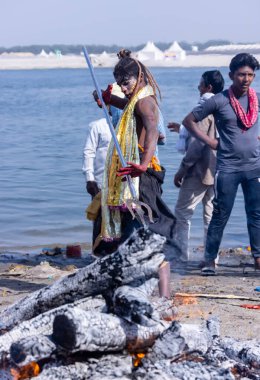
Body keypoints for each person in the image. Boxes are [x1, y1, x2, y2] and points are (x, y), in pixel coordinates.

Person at [94, 56, 177, 297]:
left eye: (126, 82)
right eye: (119, 82)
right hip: (132, 174)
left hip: (142, 176)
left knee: (148, 234)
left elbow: (152, 129)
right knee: (129, 234)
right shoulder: (135, 99)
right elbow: (126, 104)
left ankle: (164, 295)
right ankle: (132, 290)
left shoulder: (145, 102)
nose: (123, 86)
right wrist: (108, 98)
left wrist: (142, 164)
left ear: (139, 78)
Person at [182, 53, 260, 274]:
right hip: (228, 168)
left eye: (250, 75)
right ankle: (209, 260)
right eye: (241, 75)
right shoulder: (219, 100)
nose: (246, 79)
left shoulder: (256, 98)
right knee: (220, 214)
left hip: (255, 166)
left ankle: (257, 258)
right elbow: (189, 121)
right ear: (231, 75)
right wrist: (210, 141)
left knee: (256, 213)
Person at [167, 70, 225, 264]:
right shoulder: (223, 107)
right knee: (211, 216)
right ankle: (211, 258)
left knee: (183, 213)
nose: (198, 88)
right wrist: (181, 130)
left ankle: (181, 256)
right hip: (219, 171)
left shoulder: (203, 109)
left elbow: (197, 145)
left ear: (208, 87)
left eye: (200, 85)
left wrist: (182, 170)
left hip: (199, 171)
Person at [82, 84, 124, 249]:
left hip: (122, 182)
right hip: (100, 182)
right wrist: (89, 179)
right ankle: (96, 253)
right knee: (100, 218)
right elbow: (89, 152)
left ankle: (117, 252)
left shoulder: (127, 125)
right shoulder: (98, 126)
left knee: (121, 219)